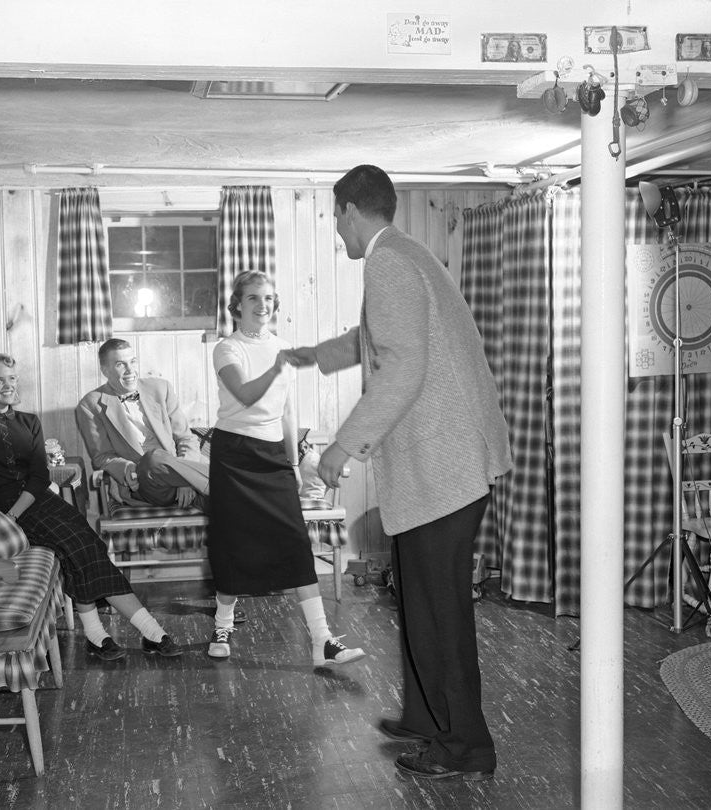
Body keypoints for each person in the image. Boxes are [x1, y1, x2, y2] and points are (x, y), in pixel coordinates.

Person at [284, 165, 512, 781]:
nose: (337, 232)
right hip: (450, 463)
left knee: (440, 611)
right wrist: (317, 356)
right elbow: (377, 337)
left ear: (353, 210)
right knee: (417, 598)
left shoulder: (386, 263)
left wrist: (342, 448)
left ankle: (465, 745)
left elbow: (403, 366)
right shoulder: (409, 254)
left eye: (336, 217)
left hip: (444, 468)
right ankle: (423, 715)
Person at [0, 353, 183, 662]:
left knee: (85, 546)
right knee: (79, 547)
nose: (8, 385)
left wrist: (14, 515)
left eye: (12, 378)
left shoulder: (29, 421)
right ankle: (147, 633)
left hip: (35, 500)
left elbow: (39, 477)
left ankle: (105, 634)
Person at [205, 270, 365, 668]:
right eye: (255, 298)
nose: (264, 305)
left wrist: (292, 464)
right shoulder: (227, 349)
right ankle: (222, 624)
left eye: (270, 298)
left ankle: (323, 641)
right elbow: (243, 395)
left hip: (273, 455)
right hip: (234, 455)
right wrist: (277, 367)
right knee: (231, 542)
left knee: (295, 542)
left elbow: (288, 411)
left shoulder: (282, 347)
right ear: (237, 305)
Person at [76, 339, 209, 511]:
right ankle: (220, 480)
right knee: (152, 459)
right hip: (142, 484)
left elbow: (186, 438)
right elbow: (102, 456)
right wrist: (124, 470)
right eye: (120, 365)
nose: (130, 370)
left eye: (133, 361)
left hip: (179, 480)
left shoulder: (161, 389)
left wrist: (184, 481)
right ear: (105, 371)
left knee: (229, 506)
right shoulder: (91, 405)